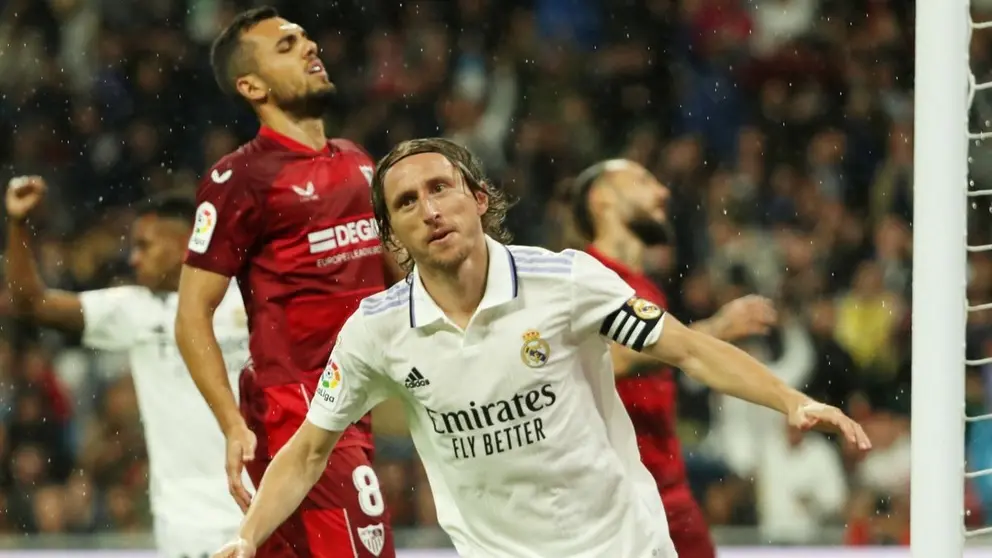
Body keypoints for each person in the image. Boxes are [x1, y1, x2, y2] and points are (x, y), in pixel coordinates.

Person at [211, 138, 872, 558]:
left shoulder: (565, 281)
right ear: (393, 236)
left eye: (441, 189)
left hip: (622, 547)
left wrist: (789, 399)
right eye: (407, 202)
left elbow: (690, 350)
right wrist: (248, 538)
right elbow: (307, 448)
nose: (430, 209)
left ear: (477, 199)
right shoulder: (376, 329)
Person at [174, 7, 398, 558]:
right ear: (251, 85)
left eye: (304, 37)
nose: (308, 46)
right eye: (286, 45)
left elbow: (399, 280)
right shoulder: (240, 178)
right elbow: (190, 315)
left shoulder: (358, 161)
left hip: (357, 399)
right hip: (299, 407)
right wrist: (231, 424)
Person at [4, 176, 250, 558]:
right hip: (182, 529)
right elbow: (30, 304)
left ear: (185, 244)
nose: (133, 258)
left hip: (256, 511)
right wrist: (18, 223)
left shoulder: (248, 302)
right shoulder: (133, 309)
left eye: (145, 246)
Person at [571, 158, 776, 557]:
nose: (662, 192)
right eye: (643, 181)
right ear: (602, 200)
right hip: (615, 494)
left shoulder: (645, 287)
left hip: (666, 485)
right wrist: (714, 329)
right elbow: (615, 359)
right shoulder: (583, 277)